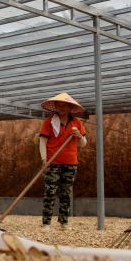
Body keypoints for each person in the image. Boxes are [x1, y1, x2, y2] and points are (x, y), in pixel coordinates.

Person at [39, 93, 88, 229]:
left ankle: (63, 222)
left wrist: (78, 136)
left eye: (64, 105)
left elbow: (83, 143)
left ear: (69, 107)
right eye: (59, 105)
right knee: (50, 192)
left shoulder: (77, 123)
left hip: (71, 162)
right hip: (52, 162)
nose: (61, 108)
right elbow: (42, 141)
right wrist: (44, 159)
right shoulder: (48, 122)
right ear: (55, 107)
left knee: (65, 193)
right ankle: (46, 222)